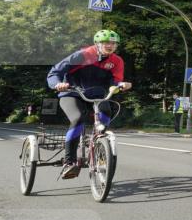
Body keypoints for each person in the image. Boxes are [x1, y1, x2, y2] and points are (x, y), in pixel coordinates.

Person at [46, 30, 132, 179]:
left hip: (97, 95)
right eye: (106, 43)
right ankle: (69, 162)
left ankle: (99, 144)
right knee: (78, 118)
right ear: (97, 44)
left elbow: (115, 81)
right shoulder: (83, 55)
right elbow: (54, 72)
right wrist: (58, 84)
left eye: (114, 43)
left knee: (106, 112)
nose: (110, 46)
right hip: (72, 93)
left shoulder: (117, 61)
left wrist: (120, 85)